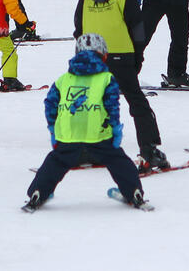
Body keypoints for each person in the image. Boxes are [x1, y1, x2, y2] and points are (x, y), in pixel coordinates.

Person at [73, 0, 169, 171]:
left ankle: (86, 148)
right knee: (136, 102)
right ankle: (149, 150)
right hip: (120, 55)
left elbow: (78, 23)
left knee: (92, 101)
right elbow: (137, 28)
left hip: (91, 55)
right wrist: (138, 56)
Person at [24, 34, 147, 211]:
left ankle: (38, 192)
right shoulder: (106, 79)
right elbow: (112, 106)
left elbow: (50, 104)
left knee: (56, 162)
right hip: (97, 134)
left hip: (68, 134)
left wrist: (53, 128)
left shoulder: (63, 80)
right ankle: (133, 192)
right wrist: (115, 128)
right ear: (104, 55)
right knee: (117, 160)